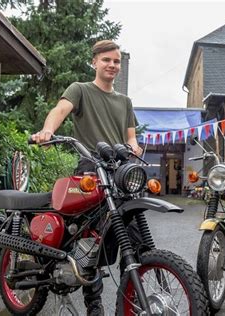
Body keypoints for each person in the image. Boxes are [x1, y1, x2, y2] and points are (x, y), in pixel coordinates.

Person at [32, 40, 142, 316]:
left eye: (116, 61)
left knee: (133, 232)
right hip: (91, 167)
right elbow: (60, 110)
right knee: (89, 237)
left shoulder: (125, 101)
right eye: (106, 60)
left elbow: (131, 135)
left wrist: (135, 145)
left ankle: (135, 296)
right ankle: (94, 304)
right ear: (94, 62)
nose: (112, 65)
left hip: (120, 168)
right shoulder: (80, 90)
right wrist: (47, 130)